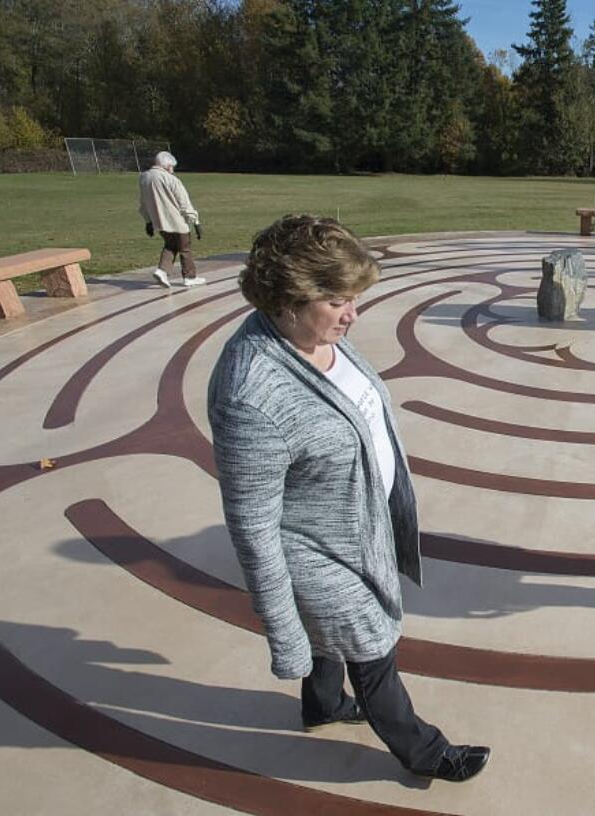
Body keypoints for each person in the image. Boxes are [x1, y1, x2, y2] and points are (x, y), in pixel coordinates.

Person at [207, 214, 490, 782]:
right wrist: (283, 631)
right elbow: (252, 526)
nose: (353, 313)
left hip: (359, 523)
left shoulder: (318, 335)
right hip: (315, 551)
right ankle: (426, 753)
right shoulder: (251, 393)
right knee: (373, 652)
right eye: (338, 299)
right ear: (290, 299)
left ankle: (323, 705)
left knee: (335, 639)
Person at [138, 151, 206, 288]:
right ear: (167, 165)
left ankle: (162, 271)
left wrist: (148, 221)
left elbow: (143, 202)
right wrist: (195, 221)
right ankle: (190, 277)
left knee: (171, 245)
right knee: (185, 247)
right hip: (176, 221)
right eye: (172, 166)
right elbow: (184, 203)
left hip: (159, 221)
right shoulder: (171, 180)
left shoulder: (144, 178)